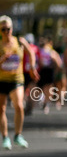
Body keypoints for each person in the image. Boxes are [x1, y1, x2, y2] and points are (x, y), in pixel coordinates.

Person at [0, 15, 37, 149]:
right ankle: (5, 137)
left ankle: (17, 135)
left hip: (16, 79)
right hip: (2, 80)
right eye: (3, 29)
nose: (6, 32)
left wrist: (32, 67)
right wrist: (3, 59)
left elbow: (31, 52)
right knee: (1, 109)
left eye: (8, 29)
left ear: (12, 28)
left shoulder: (19, 41)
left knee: (19, 106)